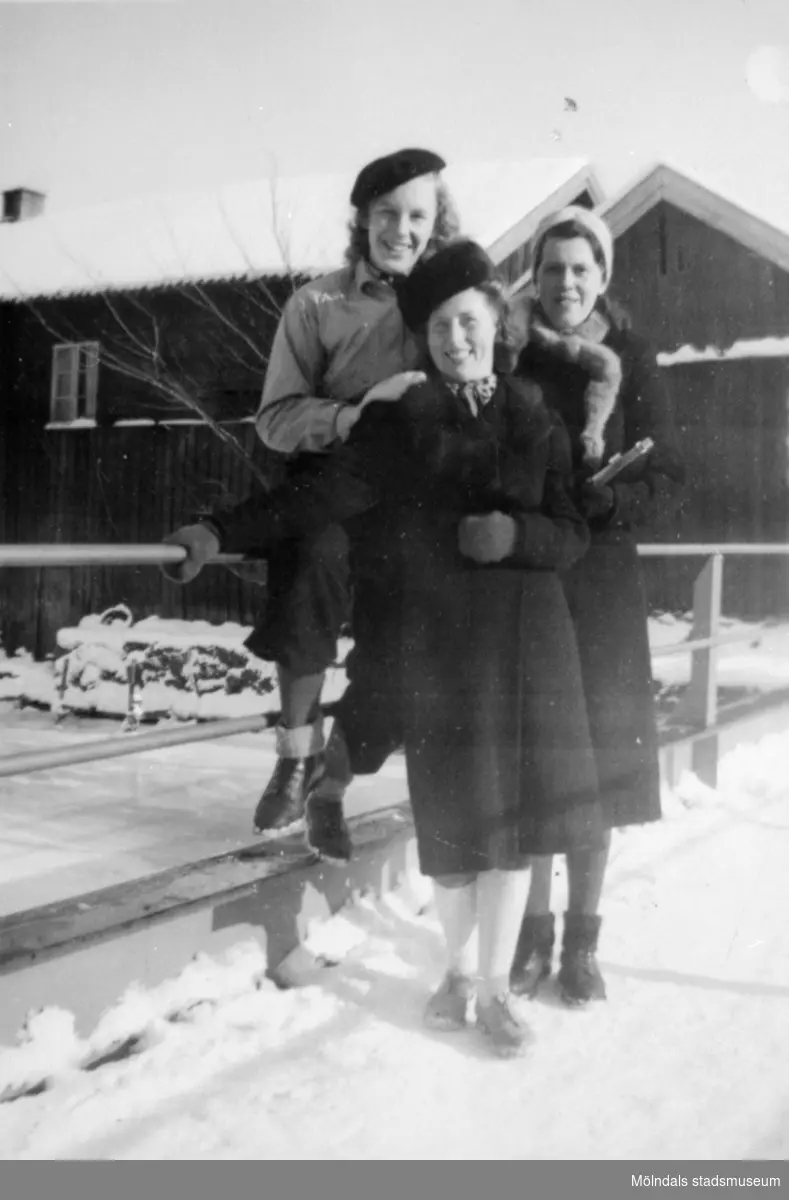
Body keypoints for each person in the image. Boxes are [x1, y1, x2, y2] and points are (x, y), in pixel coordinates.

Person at [162, 148, 460, 864]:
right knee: (311, 566)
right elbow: (273, 418)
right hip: (327, 483)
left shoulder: (448, 299)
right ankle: (295, 756)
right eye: (386, 213)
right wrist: (347, 418)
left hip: (412, 496)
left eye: (417, 215)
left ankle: (337, 777)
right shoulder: (317, 303)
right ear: (361, 219)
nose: (401, 229)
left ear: (435, 222)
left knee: (413, 633)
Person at [509, 206, 685, 1007]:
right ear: (533, 277)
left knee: (599, 762)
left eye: (581, 269)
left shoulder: (634, 362)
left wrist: (610, 503)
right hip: (529, 575)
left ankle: (581, 940)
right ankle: (530, 932)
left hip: (604, 579)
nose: (566, 283)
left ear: (601, 277)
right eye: (552, 270)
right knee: (538, 752)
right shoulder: (508, 350)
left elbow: (669, 479)